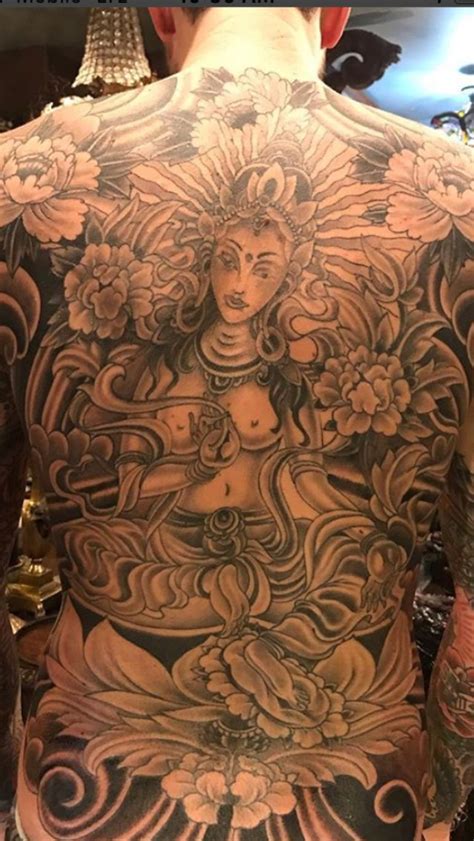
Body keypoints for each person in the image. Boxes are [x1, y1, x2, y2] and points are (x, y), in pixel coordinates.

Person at [0, 7, 472, 840]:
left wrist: (10, 775)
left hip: (87, 796)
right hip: (364, 803)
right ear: (334, 19)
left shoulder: (18, 183)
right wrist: (443, 798)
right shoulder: (459, 203)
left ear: (161, 15)